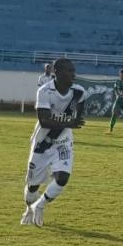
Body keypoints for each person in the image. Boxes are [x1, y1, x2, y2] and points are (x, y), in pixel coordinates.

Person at [20, 58, 86, 227]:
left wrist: (71, 122)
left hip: (63, 141)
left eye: (74, 71)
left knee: (63, 177)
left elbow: (78, 120)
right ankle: (29, 208)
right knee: (33, 187)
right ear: (57, 72)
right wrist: (69, 122)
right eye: (69, 71)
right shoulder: (44, 91)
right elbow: (44, 121)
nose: (73, 74)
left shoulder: (78, 92)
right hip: (42, 142)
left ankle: (40, 205)